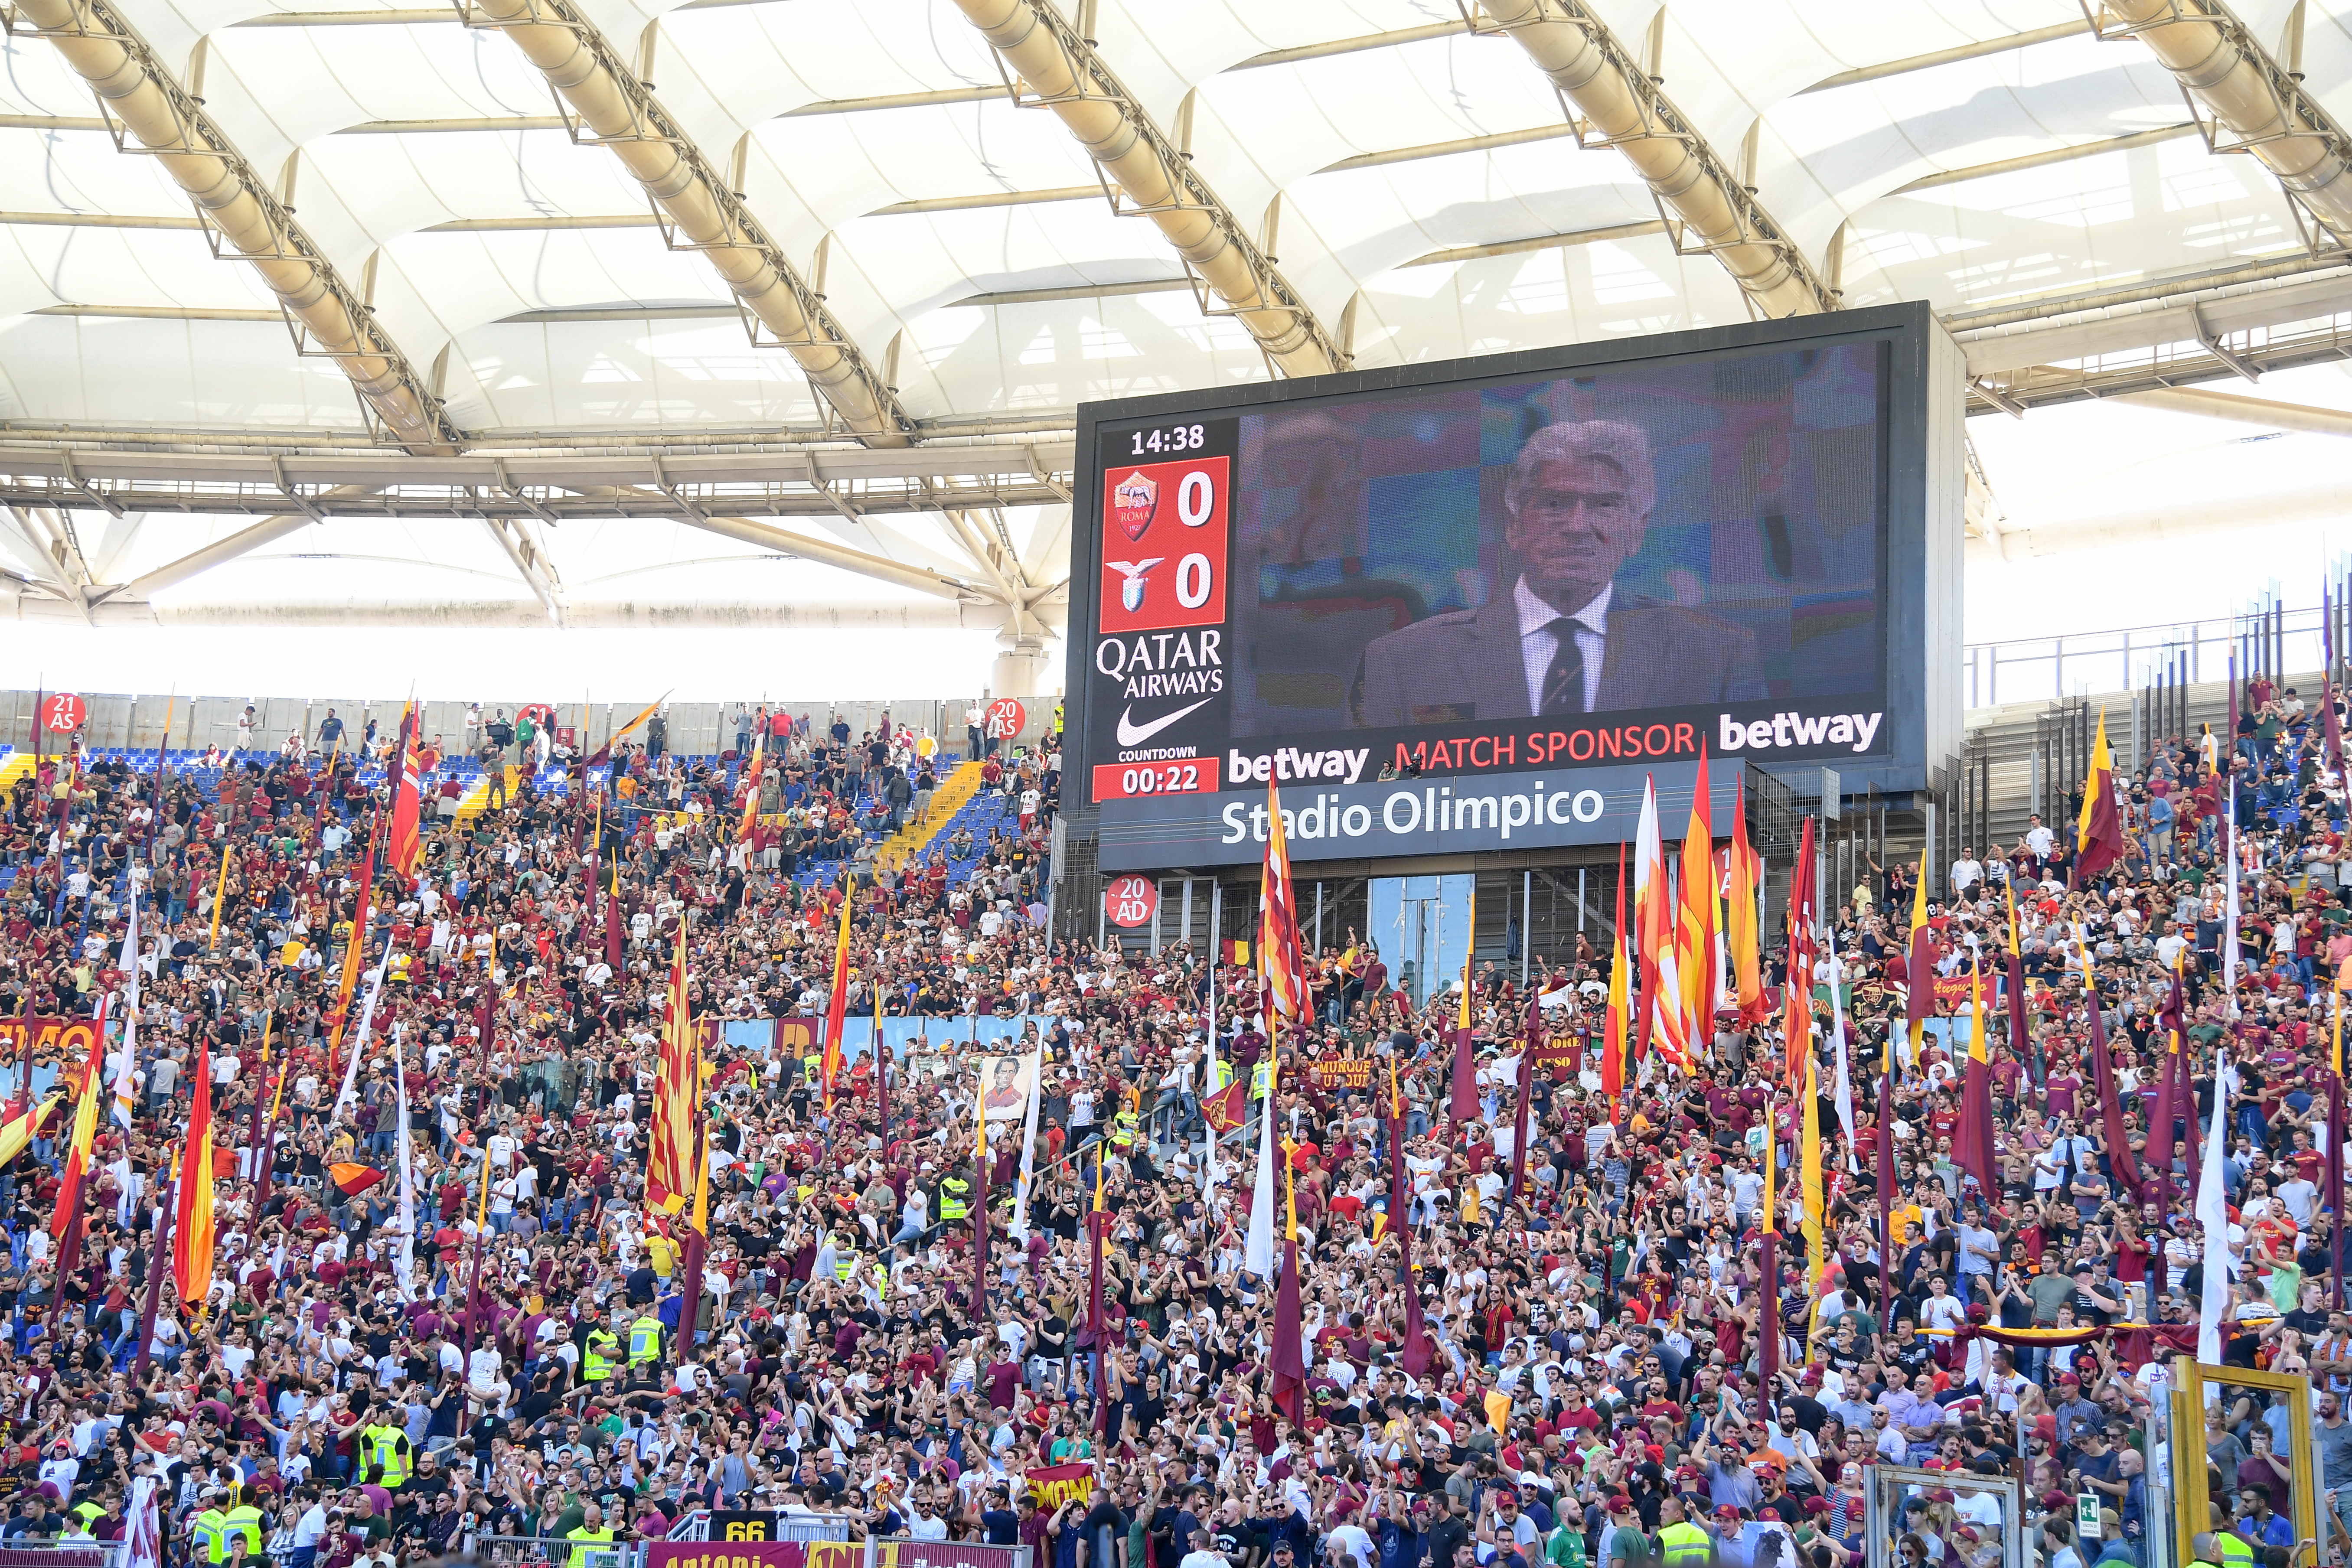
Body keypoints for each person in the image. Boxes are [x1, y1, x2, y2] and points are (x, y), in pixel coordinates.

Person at [1350, 419, 1766, 725]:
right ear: (1514, 526)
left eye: (1604, 505)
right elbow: (1375, 793)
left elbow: (1749, 795)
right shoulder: (1403, 660)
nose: (1577, 526)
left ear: (1637, 532)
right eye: (1553, 504)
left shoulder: (1717, 655)